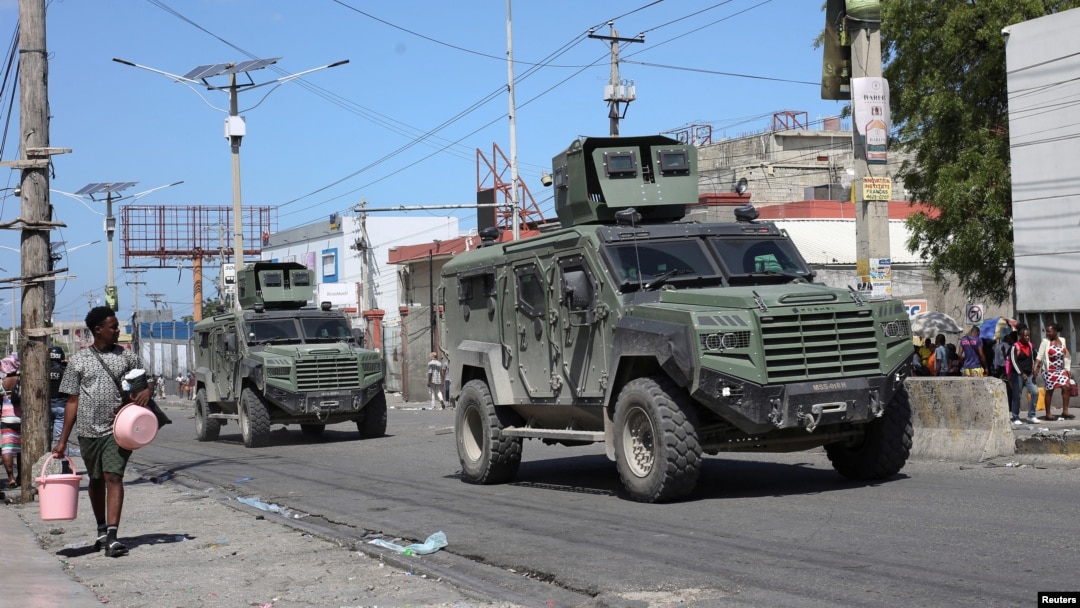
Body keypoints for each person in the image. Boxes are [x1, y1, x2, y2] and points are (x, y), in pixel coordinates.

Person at [53, 306, 153, 558]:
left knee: (113, 476)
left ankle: (112, 535)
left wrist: (146, 391)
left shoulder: (127, 357)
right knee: (96, 479)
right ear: (98, 330)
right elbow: (72, 401)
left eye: (117, 326)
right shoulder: (79, 360)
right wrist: (63, 440)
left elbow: (145, 381)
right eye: (113, 327)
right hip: (87, 430)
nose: (118, 330)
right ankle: (100, 530)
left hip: (119, 428)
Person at [1033, 322, 1074, 421]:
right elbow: (1039, 355)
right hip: (1049, 371)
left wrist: (1067, 369)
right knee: (1050, 390)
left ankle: (1065, 411)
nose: (1047, 333)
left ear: (1055, 331)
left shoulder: (1062, 340)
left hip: (1060, 370)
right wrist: (1035, 367)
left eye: (1049, 331)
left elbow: (1066, 355)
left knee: (1067, 386)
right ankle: (1048, 414)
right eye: (1046, 331)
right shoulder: (1045, 341)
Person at [1009, 325, 1040, 424]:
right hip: (1018, 375)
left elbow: (1036, 357)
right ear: (1020, 336)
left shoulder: (1030, 346)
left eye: (1028, 336)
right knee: (1017, 396)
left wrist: (1036, 368)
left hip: (1030, 374)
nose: (1027, 337)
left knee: (1035, 392)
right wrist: (1021, 373)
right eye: (1025, 336)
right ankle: (1015, 417)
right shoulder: (1015, 347)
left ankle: (1031, 415)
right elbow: (1014, 362)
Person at [1, 354, 21, 488]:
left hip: (6, 418)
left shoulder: (1, 383)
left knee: (7, 449)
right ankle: (21, 476)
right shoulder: (22, 380)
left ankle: (11, 478)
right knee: (21, 450)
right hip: (23, 418)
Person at [48, 346, 71, 453]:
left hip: (46, 407)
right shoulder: (65, 370)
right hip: (62, 406)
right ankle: (65, 463)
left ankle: (45, 460)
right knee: (61, 438)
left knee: (47, 437)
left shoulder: (42, 370)